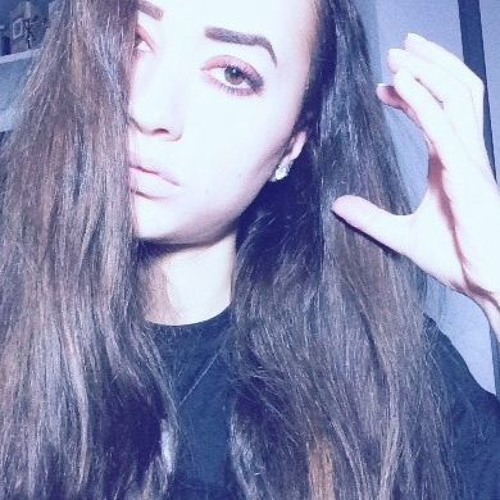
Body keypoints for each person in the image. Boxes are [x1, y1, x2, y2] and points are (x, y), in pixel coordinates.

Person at [0, 0, 499, 498]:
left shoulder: (381, 368)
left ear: (293, 143)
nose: (148, 109)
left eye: (233, 74)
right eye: (133, 41)